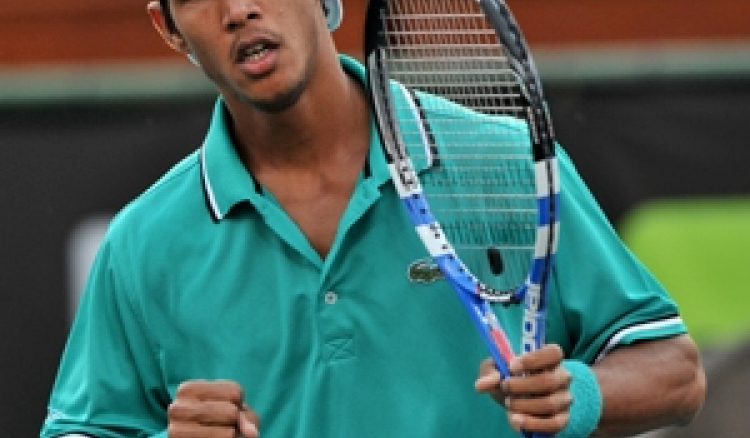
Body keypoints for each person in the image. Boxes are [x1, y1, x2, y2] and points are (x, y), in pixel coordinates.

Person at [40, 0, 706, 437]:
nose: (239, 9)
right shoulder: (140, 243)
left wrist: (577, 396)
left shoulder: (504, 162)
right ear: (169, 28)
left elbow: (675, 369)